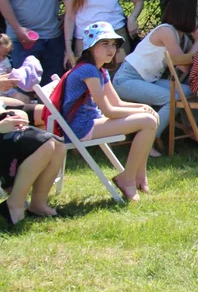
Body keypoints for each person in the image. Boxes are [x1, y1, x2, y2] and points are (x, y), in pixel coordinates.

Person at [51, 22, 158, 202]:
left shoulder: (100, 70)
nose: (111, 49)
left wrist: (141, 107)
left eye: (113, 44)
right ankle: (127, 178)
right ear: (91, 47)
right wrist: (141, 113)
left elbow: (117, 102)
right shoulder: (88, 70)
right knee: (148, 121)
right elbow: (108, 110)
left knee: (151, 115)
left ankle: (140, 177)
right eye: (105, 43)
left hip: (89, 123)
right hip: (78, 128)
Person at [112, 0, 198, 141]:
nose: (197, 19)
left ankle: (190, 130)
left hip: (148, 79)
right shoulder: (166, 31)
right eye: (195, 14)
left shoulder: (182, 37)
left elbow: (189, 63)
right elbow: (183, 66)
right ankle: (148, 139)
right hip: (127, 79)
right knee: (171, 98)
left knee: (188, 91)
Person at [0, 90, 65, 227]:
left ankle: (38, 205)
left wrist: (5, 114)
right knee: (44, 143)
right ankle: (13, 204)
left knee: (59, 145)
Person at [0, 31, 33, 108]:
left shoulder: (5, 60)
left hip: (8, 90)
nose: (1, 58)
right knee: (18, 104)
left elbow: (10, 72)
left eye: (4, 55)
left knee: (25, 99)